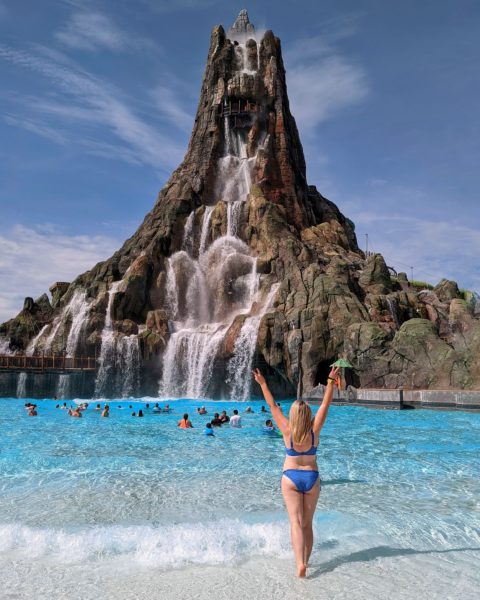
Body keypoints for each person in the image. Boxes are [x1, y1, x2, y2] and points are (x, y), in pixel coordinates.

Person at [253, 365, 340, 578]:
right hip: (311, 477)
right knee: (308, 523)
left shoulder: (286, 429)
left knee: (295, 522)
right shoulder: (314, 429)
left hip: (290, 477)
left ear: (292, 415)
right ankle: (306, 562)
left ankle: (299, 563)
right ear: (307, 414)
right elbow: (325, 405)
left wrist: (263, 383)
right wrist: (330, 382)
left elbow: (272, 406)